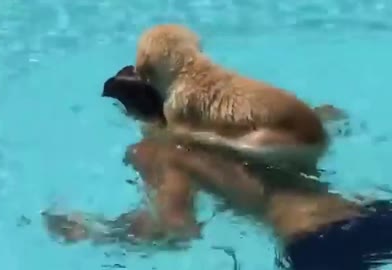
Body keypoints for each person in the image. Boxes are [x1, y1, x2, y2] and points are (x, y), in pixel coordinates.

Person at [42, 66, 392, 270]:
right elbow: (331, 116)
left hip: (317, 244)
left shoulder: (156, 151)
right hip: (371, 215)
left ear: (130, 114)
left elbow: (176, 230)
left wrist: (100, 232)